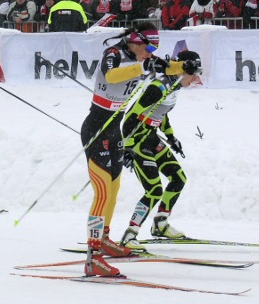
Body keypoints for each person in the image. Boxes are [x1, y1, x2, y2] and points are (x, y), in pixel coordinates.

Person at [80, 23, 181, 277]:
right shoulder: (114, 54)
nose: (151, 52)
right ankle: (92, 257)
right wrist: (143, 67)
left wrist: (185, 67)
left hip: (115, 129)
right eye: (148, 47)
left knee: (113, 190)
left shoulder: (143, 57)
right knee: (102, 192)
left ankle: (104, 238)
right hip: (97, 127)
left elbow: (167, 67)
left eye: (154, 48)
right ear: (134, 41)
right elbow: (112, 76)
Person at [119, 51, 202, 248]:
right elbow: (130, 117)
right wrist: (127, 148)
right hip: (137, 141)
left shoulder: (172, 87)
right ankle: (130, 234)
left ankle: (160, 224)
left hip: (151, 137)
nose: (196, 79)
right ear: (183, 71)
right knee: (154, 190)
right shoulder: (157, 88)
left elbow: (160, 114)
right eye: (194, 74)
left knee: (178, 178)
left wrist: (171, 136)